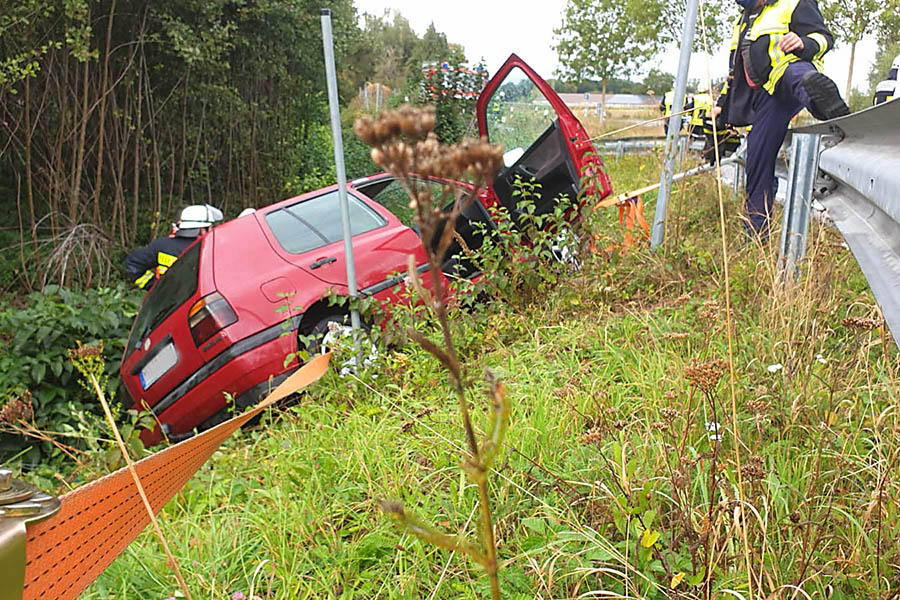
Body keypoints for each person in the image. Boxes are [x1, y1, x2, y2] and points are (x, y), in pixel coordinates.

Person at [714, 0, 849, 239]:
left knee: (798, 76)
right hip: (764, 96)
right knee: (757, 154)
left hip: (789, 75)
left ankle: (825, 104)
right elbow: (734, 71)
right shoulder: (743, 20)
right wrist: (721, 105)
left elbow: (825, 38)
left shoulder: (795, 2)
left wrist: (803, 42)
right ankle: (756, 231)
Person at [125, 204, 223, 290]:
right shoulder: (210, 250)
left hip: (165, 306)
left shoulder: (161, 246)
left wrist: (153, 286)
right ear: (202, 230)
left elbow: (133, 265)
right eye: (210, 227)